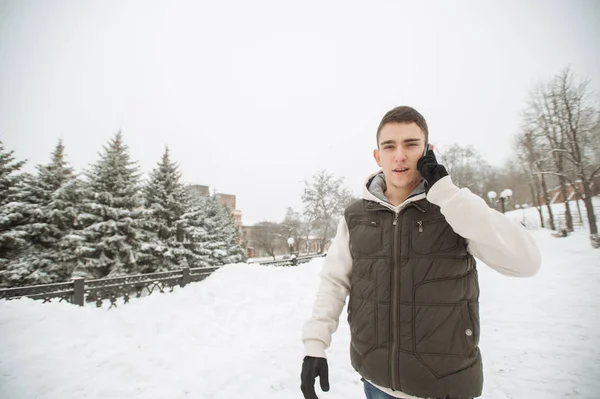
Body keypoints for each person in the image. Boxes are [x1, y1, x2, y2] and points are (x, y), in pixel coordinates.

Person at [300, 106, 541, 399]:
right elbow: (334, 283)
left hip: (444, 388)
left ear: (428, 152)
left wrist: (447, 194)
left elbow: (526, 262)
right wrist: (315, 344)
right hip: (375, 383)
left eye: (411, 144)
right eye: (389, 146)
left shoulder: (453, 208)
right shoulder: (356, 216)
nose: (399, 155)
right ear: (378, 156)